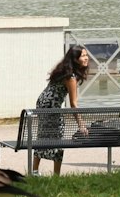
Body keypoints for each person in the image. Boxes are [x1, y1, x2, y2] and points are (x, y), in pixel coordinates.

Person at [30, 44, 92, 176]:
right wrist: (81, 124)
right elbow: (74, 104)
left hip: (43, 102)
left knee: (42, 136)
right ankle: (56, 175)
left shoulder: (64, 70)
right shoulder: (71, 77)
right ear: (75, 59)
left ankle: (34, 171)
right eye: (83, 56)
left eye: (86, 55)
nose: (86, 58)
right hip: (51, 105)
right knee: (58, 138)